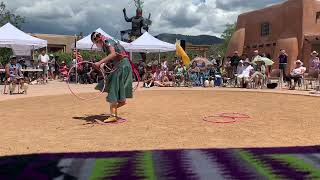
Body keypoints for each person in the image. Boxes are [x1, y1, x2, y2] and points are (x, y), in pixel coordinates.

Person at [92, 32, 133, 123]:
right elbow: (114, 54)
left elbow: (113, 54)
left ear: (97, 39)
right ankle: (120, 102)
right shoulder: (110, 41)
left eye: (95, 43)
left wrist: (99, 62)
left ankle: (113, 115)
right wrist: (104, 64)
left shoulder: (107, 41)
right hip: (123, 65)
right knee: (112, 86)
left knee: (113, 88)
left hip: (122, 66)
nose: (96, 45)